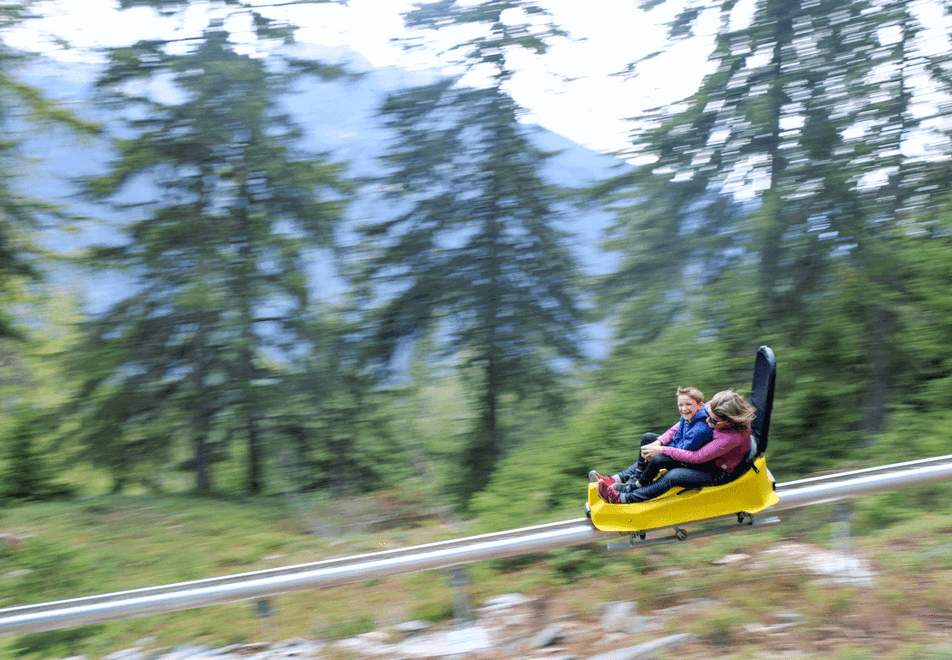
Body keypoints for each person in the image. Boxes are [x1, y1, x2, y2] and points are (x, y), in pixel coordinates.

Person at [595, 389, 756, 504]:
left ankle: (625, 498)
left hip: (716, 470)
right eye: (709, 415)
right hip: (706, 454)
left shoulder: (731, 437)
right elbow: (680, 425)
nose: (708, 420)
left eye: (713, 421)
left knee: (674, 475)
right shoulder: (714, 408)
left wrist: (663, 449)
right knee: (651, 440)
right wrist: (660, 442)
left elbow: (697, 457)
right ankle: (619, 479)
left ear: (728, 421)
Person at [589, 386, 712, 488]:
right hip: (679, 451)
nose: (684, 409)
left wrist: (659, 450)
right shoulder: (687, 418)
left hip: (689, 463)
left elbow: (683, 450)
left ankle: (637, 485)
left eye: (688, 404)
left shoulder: (700, 427)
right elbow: (676, 435)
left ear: (700, 405)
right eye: (680, 405)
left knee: (657, 457)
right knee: (648, 438)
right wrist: (656, 445)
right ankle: (628, 477)